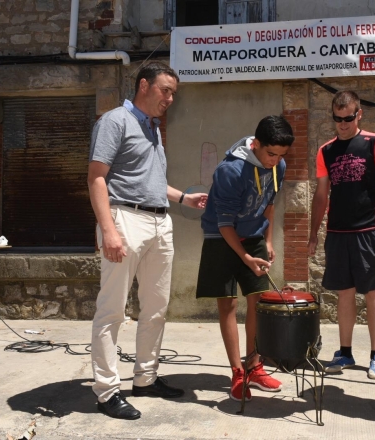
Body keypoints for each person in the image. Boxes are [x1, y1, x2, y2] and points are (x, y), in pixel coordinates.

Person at [88, 62, 207, 420]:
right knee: (112, 310)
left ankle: (145, 378)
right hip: (125, 219)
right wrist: (109, 230)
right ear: (144, 85)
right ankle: (107, 391)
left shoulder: (152, 127)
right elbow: (96, 178)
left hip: (159, 222)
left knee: (156, 307)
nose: (170, 98)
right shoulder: (115, 121)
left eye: (173, 93)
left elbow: (148, 181)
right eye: (165, 90)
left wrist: (183, 198)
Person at [196, 115, 295, 402]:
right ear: (255, 144)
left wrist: (268, 240)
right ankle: (237, 372)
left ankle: (254, 365)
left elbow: (269, 205)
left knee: (259, 302)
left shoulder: (278, 166)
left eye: (281, 155)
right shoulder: (230, 171)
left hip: (254, 235)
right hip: (221, 237)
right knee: (228, 304)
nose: (276, 161)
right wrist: (245, 257)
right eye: (271, 154)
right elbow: (224, 224)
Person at [308, 90, 375, 380]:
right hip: (337, 231)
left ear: (359, 114)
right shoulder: (326, 151)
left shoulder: (374, 142)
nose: (343, 124)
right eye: (337, 119)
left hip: (368, 230)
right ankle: (345, 352)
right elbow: (321, 195)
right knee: (344, 293)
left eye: (348, 118)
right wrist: (313, 234)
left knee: (373, 291)